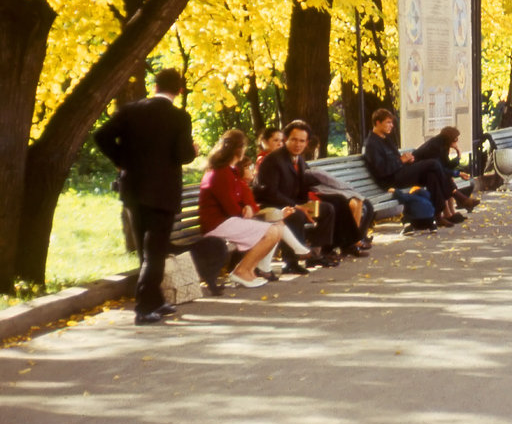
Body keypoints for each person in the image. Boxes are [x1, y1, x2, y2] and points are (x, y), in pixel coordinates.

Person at [94, 68, 198, 325]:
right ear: (179, 90)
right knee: (156, 251)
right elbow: (183, 155)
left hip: (133, 189)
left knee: (144, 248)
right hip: (162, 191)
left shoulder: (131, 110)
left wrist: (122, 161)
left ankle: (156, 300)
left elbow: (101, 135)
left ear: (154, 86)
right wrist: (194, 150)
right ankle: (143, 307)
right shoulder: (179, 117)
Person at [198, 130, 309, 289]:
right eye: (243, 147)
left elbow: (249, 203)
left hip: (229, 221)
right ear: (238, 149)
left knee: (276, 228)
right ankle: (241, 271)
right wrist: (244, 209)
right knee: (271, 231)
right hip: (217, 224)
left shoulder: (232, 171)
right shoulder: (220, 173)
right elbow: (231, 208)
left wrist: (248, 207)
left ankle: (249, 270)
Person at [254, 120, 342, 268]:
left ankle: (314, 254)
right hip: (272, 205)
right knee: (296, 214)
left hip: (291, 202)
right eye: (293, 140)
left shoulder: (299, 159)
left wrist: (308, 204)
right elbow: (269, 192)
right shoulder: (273, 160)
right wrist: (296, 206)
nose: (298, 144)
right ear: (285, 139)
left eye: (302, 141)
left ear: (307, 142)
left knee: (327, 209)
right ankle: (291, 262)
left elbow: (301, 187)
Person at [363, 109, 462, 227]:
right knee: (433, 164)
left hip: (399, 173)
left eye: (392, 123)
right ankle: (454, 193)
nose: (392, 125)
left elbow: (395, 160)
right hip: (390, 181)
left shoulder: (386, 139)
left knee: (432, 175)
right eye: (388, 122)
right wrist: (401, 161)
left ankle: (437, 216)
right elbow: (382, 170)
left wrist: (407, 160)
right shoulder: (371, 144)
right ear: (378, 123)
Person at [413, 126, 481, 210]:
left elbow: (447, 165)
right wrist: (458, 173)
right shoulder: (435, 147)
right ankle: (461, 202)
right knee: (442, 177)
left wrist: (458, 155)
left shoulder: (442, 145)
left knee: (446, 177)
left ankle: (457, 206)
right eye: (455, 138)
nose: (457, 141)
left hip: (428, 171)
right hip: (417, 173)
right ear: (450, 138)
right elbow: (440, 168)